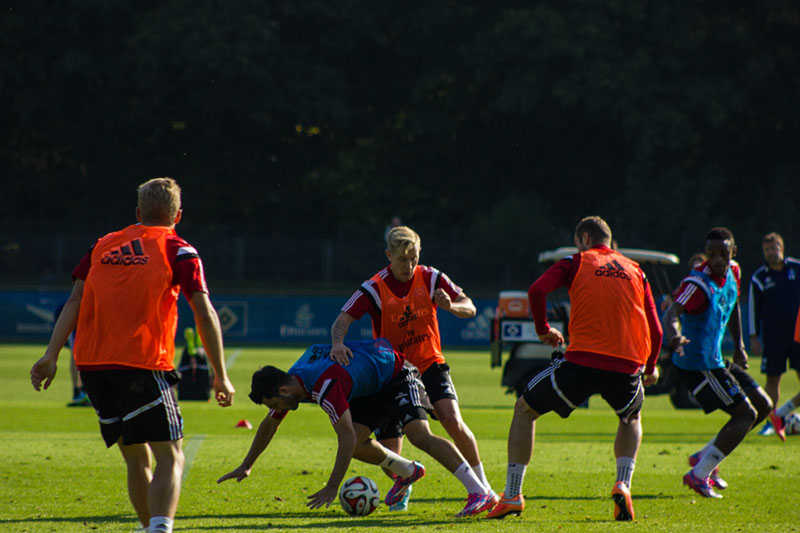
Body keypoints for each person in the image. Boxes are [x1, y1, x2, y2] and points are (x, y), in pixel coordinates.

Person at [30, 177, 236, 533]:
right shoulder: (179, 249)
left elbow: (75, 300)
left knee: (136, 457)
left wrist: (51, 355)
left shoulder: (101, 245)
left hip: (93, 367)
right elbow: (204, 313)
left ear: (138, 212)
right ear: (178, 215)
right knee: (171, 456)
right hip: (143, 363)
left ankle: (150, 527)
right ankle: (160, 528)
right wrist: (220, 374)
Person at [486, 216, 662, 522]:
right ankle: (623, 483)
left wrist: (543, 330)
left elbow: (537, 290)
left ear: (584, 239)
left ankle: (512, 495)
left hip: (581, 362)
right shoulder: (636, 271)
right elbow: (656, 329)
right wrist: (650, 366)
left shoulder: (576, 261)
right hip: (625, 366)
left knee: (524, 409)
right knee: (631, 417)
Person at [217, 338, 492, 517]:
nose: (277, 409)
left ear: (283, 390)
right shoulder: (295, 378)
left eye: (275, 403)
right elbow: (269, 425)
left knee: (418, 435)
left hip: (396, 373)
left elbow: (345, 437)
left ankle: (479, 492)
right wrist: (247, 465)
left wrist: (332, 487)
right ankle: (408, 471)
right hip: (370, 388)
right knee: (358, 445)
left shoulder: (324, 385)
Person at [328, 225, 496, 515]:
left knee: (451, 421)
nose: (409, 266)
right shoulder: (374, 287)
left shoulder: (431, 277)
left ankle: (484, 489)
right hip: (392, 373)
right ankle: (406, 479)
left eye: (414, 259)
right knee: (390, 454)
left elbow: (469, 306)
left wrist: (452, 307)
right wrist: (337, 343)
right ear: (388, 256)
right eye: (402, 260)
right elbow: (342, 320)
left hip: (430, 365)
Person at [664, 227, 771, 499]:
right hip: (696, 365)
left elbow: (732, 305)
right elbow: (672, 311)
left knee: (763, 405)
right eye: (711, 254)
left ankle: (704, 457)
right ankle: (699, 474)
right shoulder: (697, 284)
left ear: (733, 252)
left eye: (723, 253)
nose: (717, 259)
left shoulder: (734, 271)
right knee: (745, 415)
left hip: (715, 360)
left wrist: (739, 346)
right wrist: (675, 335)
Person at [748, 232, 800, 440]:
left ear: (782, 248)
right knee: (772, 380)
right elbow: (753, 309)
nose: (770, 253)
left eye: (773, 248)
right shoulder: (759, 277)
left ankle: (780, 415)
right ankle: (771, 422)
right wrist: (753, 336)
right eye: (766, 250)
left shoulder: (797, 268)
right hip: (773, 338)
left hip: (798, 336)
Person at [53, 299, 91, 407]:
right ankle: (79, 392)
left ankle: (83, 391)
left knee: (84, 352)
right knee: (76, 352)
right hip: (76, 309)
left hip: (86, 307)